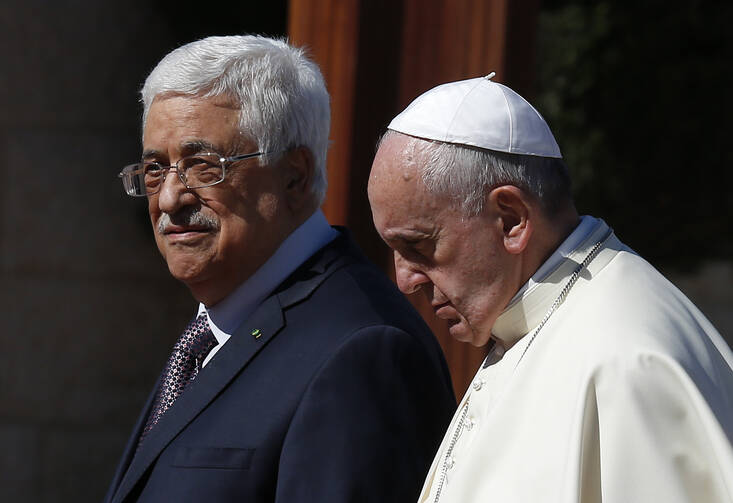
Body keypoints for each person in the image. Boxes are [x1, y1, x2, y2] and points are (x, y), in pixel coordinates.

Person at [105, 35, 456, 503]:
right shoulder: (213, 331)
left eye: (204, 165)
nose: (169, 198)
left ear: (295, 175)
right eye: (155, 169)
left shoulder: (363, 352)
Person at [368, 74, 733, 502]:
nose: (405, 280)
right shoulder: (525, 321)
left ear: (511, 219)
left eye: (418, 245)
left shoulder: (627, 360)